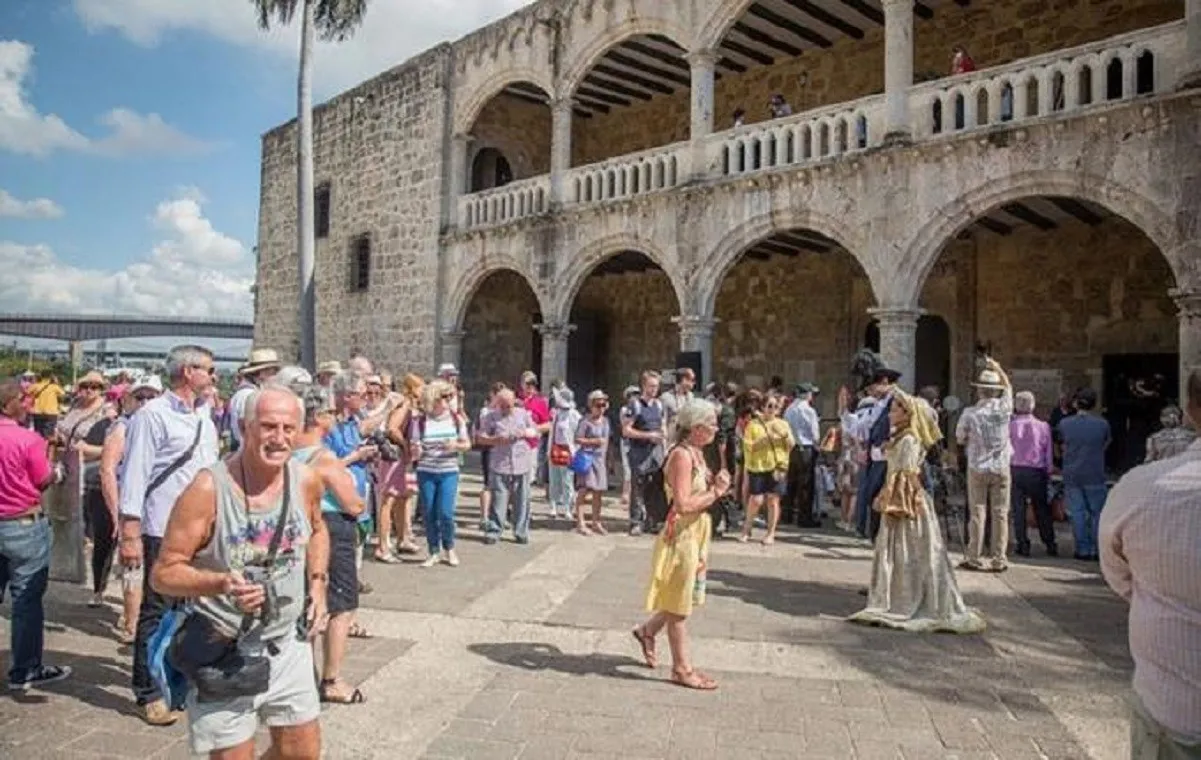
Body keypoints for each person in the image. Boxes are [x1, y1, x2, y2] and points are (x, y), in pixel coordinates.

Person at [151, 387, 330, 757]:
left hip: (287, 644)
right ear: (246, 428)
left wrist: (318, 583)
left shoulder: (305, 480)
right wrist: (219, 582)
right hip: (224, 649)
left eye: (287, 428)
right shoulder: (208, 488)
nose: (278, 438)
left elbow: (318, 530)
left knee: (302, 754)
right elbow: (163, 574)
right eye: (267, 427)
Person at [1099, 370, 1201, 759]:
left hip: (1174, 705)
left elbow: (1118, 571)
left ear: (1190, 410)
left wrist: (1154, 593)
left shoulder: (1141, 488)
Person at [118, 345, 220, 726]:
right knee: (157, 610)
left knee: (193, 611)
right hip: (162, 526)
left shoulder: (204, 419)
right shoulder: (152, 415)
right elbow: (136, 473)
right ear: (188, 372)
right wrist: (130, 530)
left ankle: (179, 678)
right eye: (208, 370)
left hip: (200, 530)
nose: (213, 376)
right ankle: (149, 690)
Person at [848, 390, 986, 634]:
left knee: (911, 548)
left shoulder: (909, 439)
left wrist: (894, 497)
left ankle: (911, 597)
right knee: (902, 550)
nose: (890, 413)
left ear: (907, 414)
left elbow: (907, 475)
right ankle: (899, 593)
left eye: (895, 409)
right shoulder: (901, 436)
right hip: (902, 496)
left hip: (907, 501)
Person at [632, 399, 732, 690]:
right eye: (711, 424)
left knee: (682, 596)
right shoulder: (682, 456)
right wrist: (716, 492)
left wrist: (716, 484)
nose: (716, 429)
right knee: (680, 607)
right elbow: (684, 503)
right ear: (697, 427)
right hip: (681, 535)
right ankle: (681, 668)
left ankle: (647, 631)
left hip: (696, 532)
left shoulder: (698, 453)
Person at [293, 386, 366, 705]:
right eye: (332, 413)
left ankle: (303, 676)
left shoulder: (288, 454)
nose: (336, 418)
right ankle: (331, 679)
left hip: (300, 529)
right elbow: (352, 505)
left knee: (305, 602)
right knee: (341, 606)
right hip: (332, 529)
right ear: (320, 417)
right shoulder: (322, 458)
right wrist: (359, 500)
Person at [0, 380, 72, 691]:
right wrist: (59, 469)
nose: (29, 403)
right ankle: (25, 669)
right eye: (23, 398)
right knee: (26, 600)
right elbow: (43, 479)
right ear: (8, 404)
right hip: (22, 523)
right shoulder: (27, 440)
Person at [98, 375, 162, 645]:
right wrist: (118, 513)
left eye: (151, 397)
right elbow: (108, 470)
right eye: (140, 397)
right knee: (134, 569)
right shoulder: (122, 427)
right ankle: (133, 624)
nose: (146, 402)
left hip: (159, 509)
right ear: (129, 400)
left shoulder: (161, 424)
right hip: (134, 509)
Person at [955, 358, 1015, 572]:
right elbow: (1008, 387)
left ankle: (974, 556)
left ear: (980, 391)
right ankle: (999, 557)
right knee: (1000, 512)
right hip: (1000, 465)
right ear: (996, 391)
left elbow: (960, 437)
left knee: (977, 512)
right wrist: (998, 367)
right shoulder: (1004, 409)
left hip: (978, 466)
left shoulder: (970, 413)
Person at [840, 354, 902, 541]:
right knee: (872, 496)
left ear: (883, 382)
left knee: (882, 496)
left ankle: (880, 535)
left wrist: (888, 443)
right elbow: (861, 427)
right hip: (876, 457)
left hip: (888, 457)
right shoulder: (879, 403)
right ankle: (873, 533)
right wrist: (843, 410)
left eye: (872, 386)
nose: (870, 391)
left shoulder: (898, 401)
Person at [409, 380, 471, 567]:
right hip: (426, 471)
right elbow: (414, 446)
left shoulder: (455, 419)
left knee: (445, 512)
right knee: (428, 512)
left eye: (448, 396)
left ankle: (449, 547)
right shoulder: (420, 422)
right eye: (443, 396)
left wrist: (455, 446)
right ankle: (433, 550)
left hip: (448, 470)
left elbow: (467, 444)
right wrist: (416, 450)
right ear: (433, 399)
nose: (447, 400)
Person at [476, 388, 538, 546]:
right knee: (499, 499)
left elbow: (535, 431)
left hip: (521, 461)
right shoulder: (490, 416)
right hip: (500, 462)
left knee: (522, 499)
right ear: (497, 404)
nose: (506, 409)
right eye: (503, 406)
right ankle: (495, 530)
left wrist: (524, 432)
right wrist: (495, 439)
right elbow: (480, 438)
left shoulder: (522, 414)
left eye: (509, 406)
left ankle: (521, 531)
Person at [1056, 388, 1111, 561]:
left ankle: (1082, 549)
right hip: (1095, 471)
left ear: (1075, 403)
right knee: (1096, 513)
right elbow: (1106, 443)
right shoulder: (1102, 424)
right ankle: (1095, 548)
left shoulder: (1065, 424)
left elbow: (1060, 446)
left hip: (1072, 472)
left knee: (1077, 512)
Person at [740, 391, 795, 545]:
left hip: (777, 466)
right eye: (769, 406)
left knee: (773, 500)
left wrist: (783, 437)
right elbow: (747, 445)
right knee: (756, 500)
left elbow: (791, 444)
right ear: (763, 407)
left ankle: (771, 533)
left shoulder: (783, 424)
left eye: (775, 406)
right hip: (758, 466)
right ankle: (746, 529)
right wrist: (762, 442)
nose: (772, 409)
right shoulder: (753, 424)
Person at [1009, 391, 1057, 558]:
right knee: (1042, 508)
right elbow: (1048, 450)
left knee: (1018, 509)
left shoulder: (1010, 425)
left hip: (1014, 468)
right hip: (1036, 470)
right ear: (1033, 405)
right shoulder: (1043, 426)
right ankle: (1050, 542)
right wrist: (1049, 469)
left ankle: (1022, 544)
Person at [622, 370, 666, 536]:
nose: (654, 389)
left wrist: (663, 441)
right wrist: (648, 436)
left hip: (656, 452)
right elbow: (626, 430)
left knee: (655, 487)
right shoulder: (635, 405)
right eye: (651, 386)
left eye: (656, 386)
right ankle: (636, 522)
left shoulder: (659, 405)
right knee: (638, 487)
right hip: (639, 452)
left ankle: (653, 520)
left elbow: (662, 425)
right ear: (644, 386)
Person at [227, 349, 283, 453]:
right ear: (261, 373)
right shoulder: (249, 395)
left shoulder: (242, 394)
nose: (275, 376)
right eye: (273, 371)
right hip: (251, 451)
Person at [574, 390, 611, 535]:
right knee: (584, 490)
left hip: (600, 459)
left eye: (604, 405)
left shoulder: (606, 421)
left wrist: (610, 460)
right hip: (588, 458)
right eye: (598, 405)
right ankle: (580, 522)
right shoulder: (585, 421)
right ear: (591, 405)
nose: (601, 408)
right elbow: (577, 439)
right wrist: (593, 441)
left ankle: (596, 521)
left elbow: (608, 441)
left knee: (598, 492)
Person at [784, 383, 821, 527]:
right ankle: (804, 518)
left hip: (792, 448)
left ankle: (787, 514)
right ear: (807, 395)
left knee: (791, 482)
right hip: (806, 447)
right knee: (806, 484)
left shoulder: (789, 409)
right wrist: (818, 445)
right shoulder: (809, 410)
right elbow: (814, 433)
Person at [474, 382, 504, 532]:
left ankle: (497, 516)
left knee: (501, 485)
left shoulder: (501, 411)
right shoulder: (486, 411)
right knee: (488, 484)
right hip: (490, 449)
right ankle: (484, 517)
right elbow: (480, 430)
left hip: (501, 451)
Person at [547, 387, 580, 520]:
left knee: (567, 481)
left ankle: (568, 507)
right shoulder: (557, 414)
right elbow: (552, 433)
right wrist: (549, 450)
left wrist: (575, 451)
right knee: (554, 480)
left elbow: (577, 434)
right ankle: (553, 506)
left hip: (568, 451)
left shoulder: (574, 415)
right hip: (555, 449)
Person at [25, 369, 65, 440]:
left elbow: (27, 392)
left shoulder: (36, 386)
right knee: (49, 436)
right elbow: (63, 393)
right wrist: (56, 382)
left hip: (38, 412)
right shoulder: (54, 387)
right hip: (51, 413)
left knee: (38, 434)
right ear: (51, 376)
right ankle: (45, 449)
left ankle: (39, 448)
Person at [660, 368, 695, 444]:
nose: (693, 383)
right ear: (684, 380)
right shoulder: (666, 397)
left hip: (687, 439)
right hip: (672, 439)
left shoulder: (691, 396)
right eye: (692, 380)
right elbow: (663, 420)